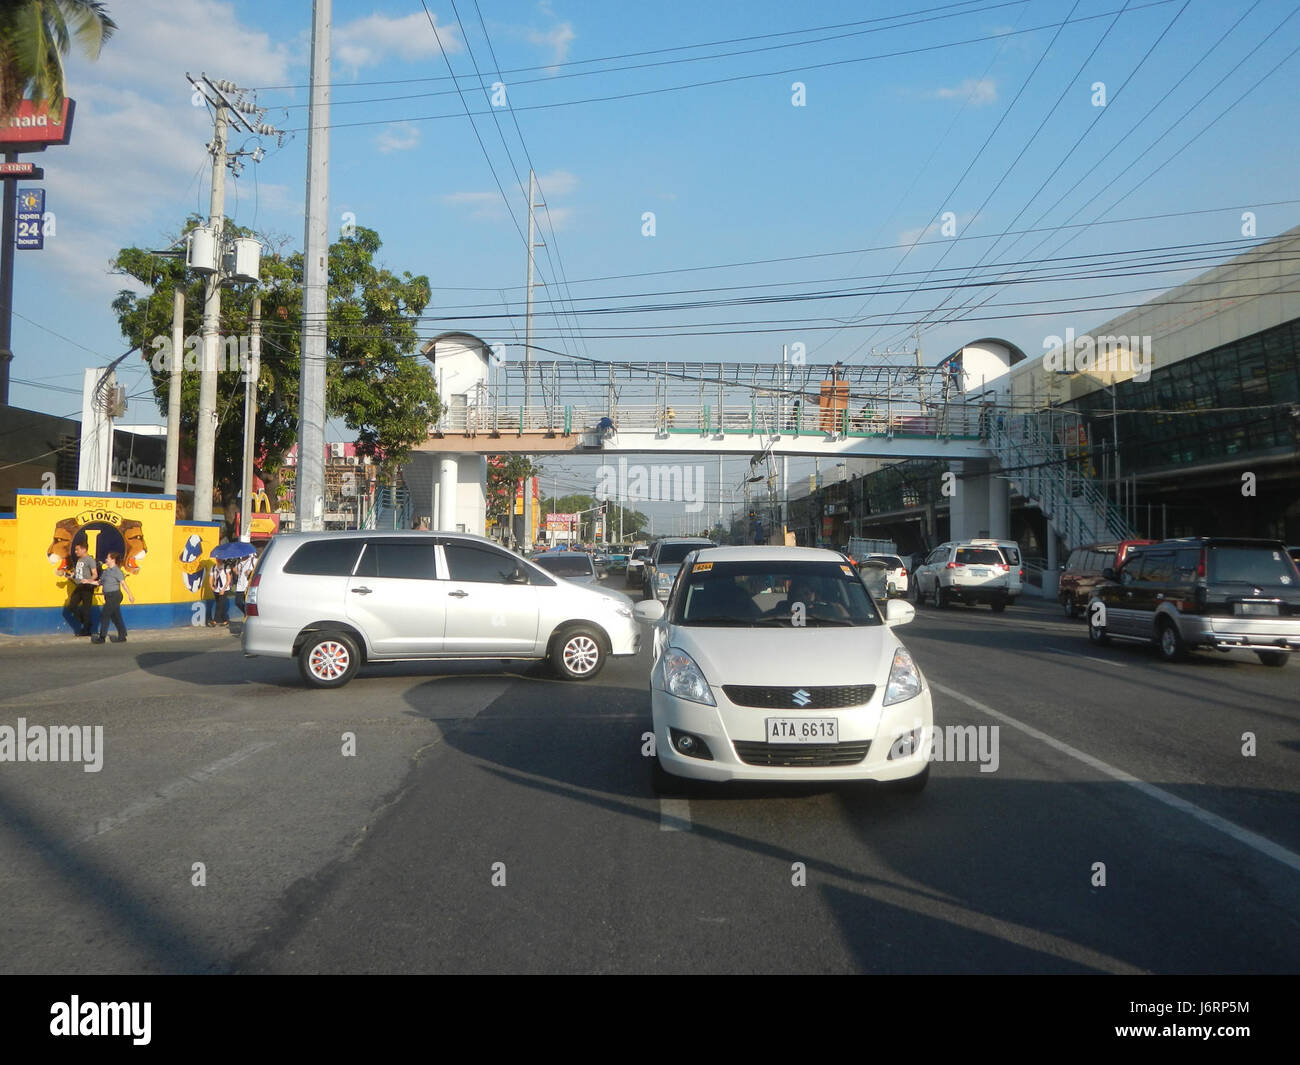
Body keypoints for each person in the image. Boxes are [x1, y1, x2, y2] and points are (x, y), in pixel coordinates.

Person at [92, 552, 134, 644]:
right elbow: (99, 583)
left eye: (108, 558)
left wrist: (130, 595)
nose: (106, 560)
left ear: (113, 560)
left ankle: (102, 637)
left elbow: (123, 584)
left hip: (115, 595)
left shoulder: (117, 571)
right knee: (115, 616)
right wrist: (87, 581)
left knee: (105, 614)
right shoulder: (106, 571)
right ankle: (122, 635)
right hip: (108, 596)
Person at [69, 542, 99, 637]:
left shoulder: (90, 560)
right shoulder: (79, 560)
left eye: (77, 549)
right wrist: (71, 576)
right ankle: (87, 623)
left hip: (87, 587)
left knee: (86, 609)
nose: (75, 551)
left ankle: (86, 630)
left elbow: (95, 574)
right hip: (79, 586)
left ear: (84, 549)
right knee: (72, 606)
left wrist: (88, 580)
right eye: (75, 550)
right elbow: (78, 573)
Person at [208, 560, 232, 626]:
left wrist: (223, 589)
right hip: (216, 589)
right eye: (217, 558)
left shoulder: (226, 567)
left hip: (224, 589)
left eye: (220, 558)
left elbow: (228, 580)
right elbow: (211, 577)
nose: (218, 560)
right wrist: (211, 586)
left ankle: (214, 621)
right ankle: (225, 621)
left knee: (219, 605)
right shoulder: (213, 568)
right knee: (221, 605)